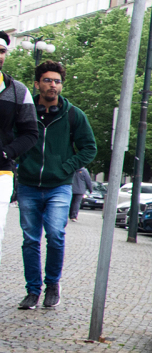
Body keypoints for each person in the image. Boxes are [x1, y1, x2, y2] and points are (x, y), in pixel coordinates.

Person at [15, 60, 97, 309]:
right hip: (28, 185)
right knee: (30, 240)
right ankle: (32, 291)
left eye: (58, 81)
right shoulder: (25, 112)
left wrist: (65, 167)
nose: (53, 85)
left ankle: (52, 285)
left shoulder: (73, 114)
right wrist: (20, 163)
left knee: (55, 235)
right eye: (48, 80)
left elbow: (89, 148)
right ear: (37, 83)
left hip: (59, 186)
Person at [0, 31, 39, 273]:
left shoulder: (17, 91)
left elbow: (30, 133)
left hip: (1, 173)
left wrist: (7, 152)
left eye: (2, 51)